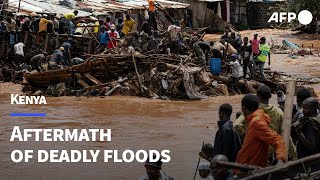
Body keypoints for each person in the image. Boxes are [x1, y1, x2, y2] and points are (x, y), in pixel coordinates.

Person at [234, 85, 297, 161]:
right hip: (272, 153)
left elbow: (236, 125)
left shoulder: (252, 110)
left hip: (256, 153)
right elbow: (286, 133)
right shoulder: (277, 111)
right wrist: (294, 155)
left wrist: (246, 134)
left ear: (257, 96)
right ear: (270, 96)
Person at [236, 94, 287, 167]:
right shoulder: (254, 119)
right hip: (246, 165)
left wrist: (280, 160)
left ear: (243, 108)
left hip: (252, 169)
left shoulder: (257, 122)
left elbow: (278, 141)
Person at [292, 97, 320, 171]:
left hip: (311, 162)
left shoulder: (310, 124)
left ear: (314, 108)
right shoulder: (317, 116)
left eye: (306, 108)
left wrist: (299, 133)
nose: (303, 111)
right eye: (303, 108)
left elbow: (312, 147)